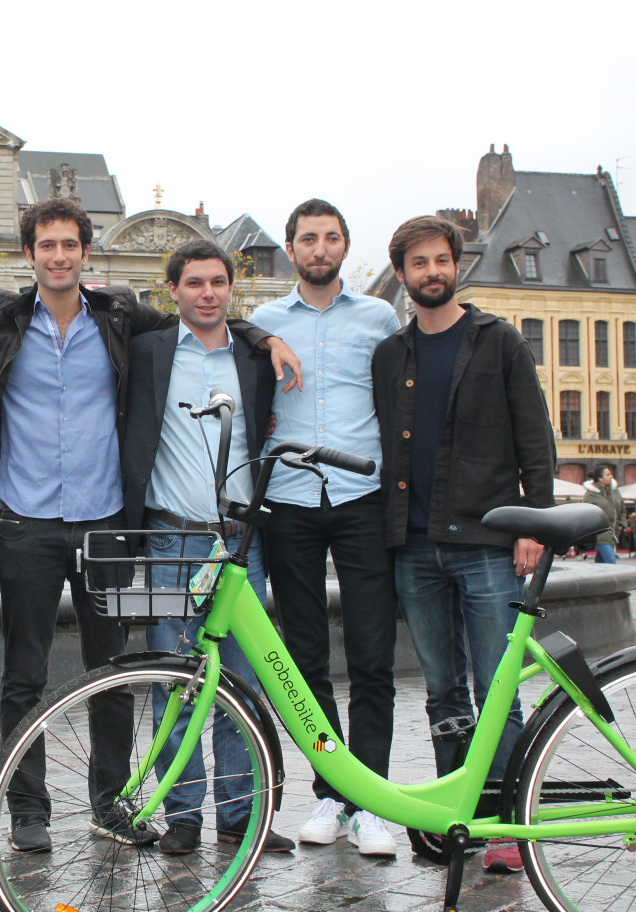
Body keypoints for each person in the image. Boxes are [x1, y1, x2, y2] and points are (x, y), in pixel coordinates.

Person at [0, 198, 299, 853]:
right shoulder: (0, 316)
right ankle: (29, 810)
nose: (58, 256)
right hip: (25, 523)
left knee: (111, 670)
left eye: (69, 245)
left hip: (107, 521)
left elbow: (199, 318)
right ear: (30, 254)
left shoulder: (119, 316)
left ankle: (111, 803)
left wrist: (263, 335)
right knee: (23, 675)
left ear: (85, 252)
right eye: (46, 245)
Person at [372, 214, 556, 875]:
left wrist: (536, 521)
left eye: (440, 260)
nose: (431, 272)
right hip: (415, 547)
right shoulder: (392, 355)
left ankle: (509, 822)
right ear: (402, 275)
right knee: (444, 693)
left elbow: (535, 437)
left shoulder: (498, 341)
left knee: (497, 690)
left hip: (487, 542)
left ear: (457, 266)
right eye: (418, 263)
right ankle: (461, 817)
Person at [121, 240, 294, 855]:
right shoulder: (148, 352)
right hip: (170, 535)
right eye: (194, 283)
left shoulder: (253, 354)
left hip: (239, 543)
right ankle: (185, 813)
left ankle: (241, 813)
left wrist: (265, 338)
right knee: (175, 682)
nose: (207, 293)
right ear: (173, 291)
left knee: (243, 687)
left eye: (218, 282)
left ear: (230, 288)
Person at [248, 198, 400, 856]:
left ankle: (370, 801)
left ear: (343, 247)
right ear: (291, 249)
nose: (319, 249)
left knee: (372, 658)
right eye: (307, 239)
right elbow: (225, 331)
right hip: (288, 500)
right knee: (305, 660)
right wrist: (261, 338)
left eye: (330, 238)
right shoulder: (265, 319)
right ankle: (330, 792)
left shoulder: (379, 317)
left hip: (361, 495)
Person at [581, 467, 625, 564]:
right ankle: (613, 578)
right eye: (608, 474)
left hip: (614, 532)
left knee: (600, 562)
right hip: (600, 533)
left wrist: (622, 524)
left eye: (611, 474)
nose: (611, 477)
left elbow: (622, 509)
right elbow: (585, 513)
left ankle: (596, 577)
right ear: (600, 478)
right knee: (611, 561)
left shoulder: (615, 492)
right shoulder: (591, 495)